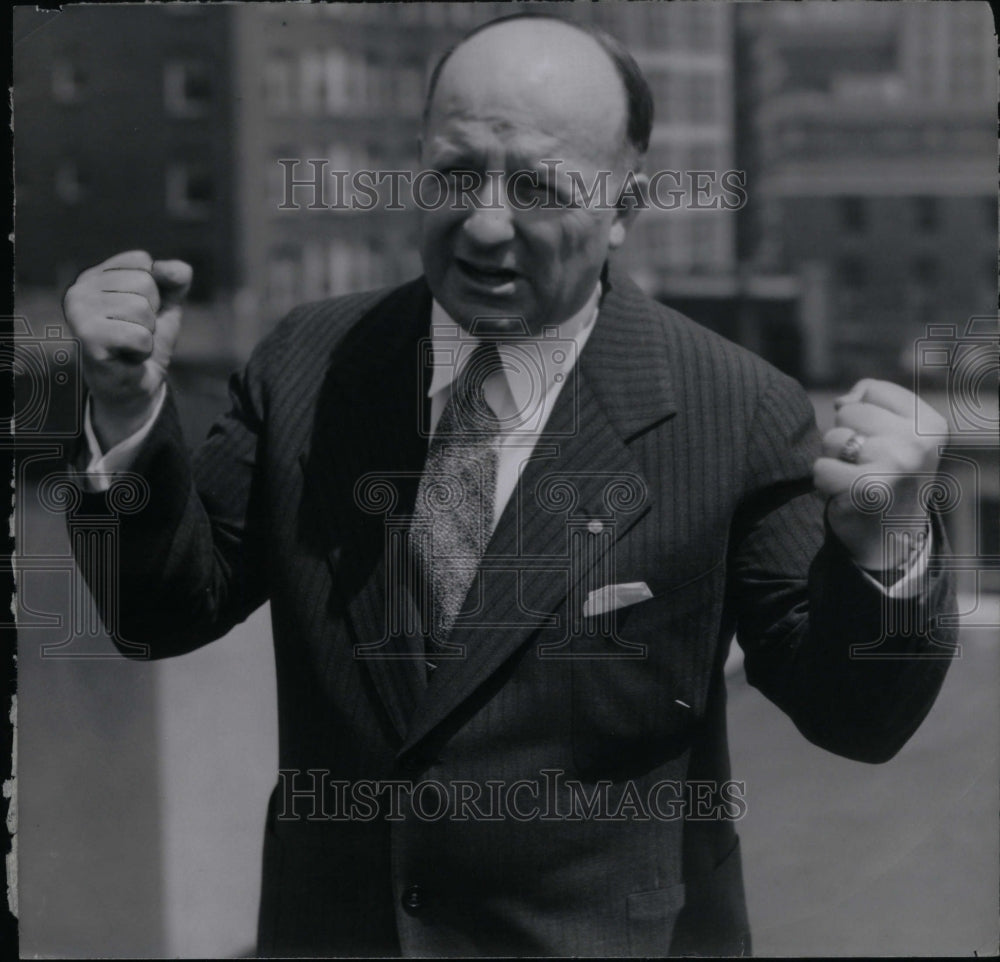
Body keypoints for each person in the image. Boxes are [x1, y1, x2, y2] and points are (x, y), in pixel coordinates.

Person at [62, 14, 957, 958]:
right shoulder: (308, 366)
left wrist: (889, 547)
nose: (486, 224)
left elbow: (857, 719)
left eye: (537, 186)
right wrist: (127, 419)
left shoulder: (736, 411)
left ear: (623, 207)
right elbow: (158, 611)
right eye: (455, 174)